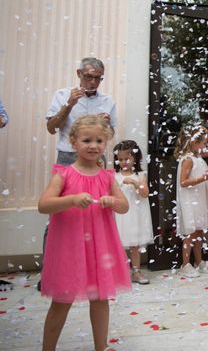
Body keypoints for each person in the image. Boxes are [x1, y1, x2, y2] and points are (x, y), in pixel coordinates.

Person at [38, 115, 130, 351]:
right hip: (70, 247)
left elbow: (124, 206)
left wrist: (112, 201)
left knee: (100, 298)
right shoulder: (64, 174)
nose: (93, 145)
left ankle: (102, 346)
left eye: (99, 141)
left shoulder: (107, 177)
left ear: (106, 143)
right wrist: (71, 199)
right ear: (73, 142)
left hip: (100, 247)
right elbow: (44, 204)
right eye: (87, 140)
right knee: (62, 300)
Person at [46, 57, 116, 165]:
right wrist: (68, 105)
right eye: (89, 76)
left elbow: (110, 135)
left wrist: (106, 125)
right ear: (79, 73)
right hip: (68, 155)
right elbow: (51, 129)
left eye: (98, 78)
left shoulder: (107, 100)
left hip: (96, 156)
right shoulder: (62, 95)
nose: (93, 82)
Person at [174, 125, 208, 278]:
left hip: (199, 199)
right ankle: (185, 264)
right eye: (201, 143)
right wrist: (203, 178)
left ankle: (199, 262)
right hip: (190, 200)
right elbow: (183, 182)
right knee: (191, 232)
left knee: (199, 231)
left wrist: (207, 132)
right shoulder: (188, 159)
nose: (204, 146)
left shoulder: (199, 157)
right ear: (191, 142)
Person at [113, 140, 153, 285]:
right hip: (120, 214)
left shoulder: (141, 175)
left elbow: (145, 193)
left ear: (135, 158)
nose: (124, 162)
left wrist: (135, 183)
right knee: (118, 243)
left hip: (135, 214)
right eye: (121, 159)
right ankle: (120, 272)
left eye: (127, 159)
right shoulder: (114, 175)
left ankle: (136, 271)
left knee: (134, 244)